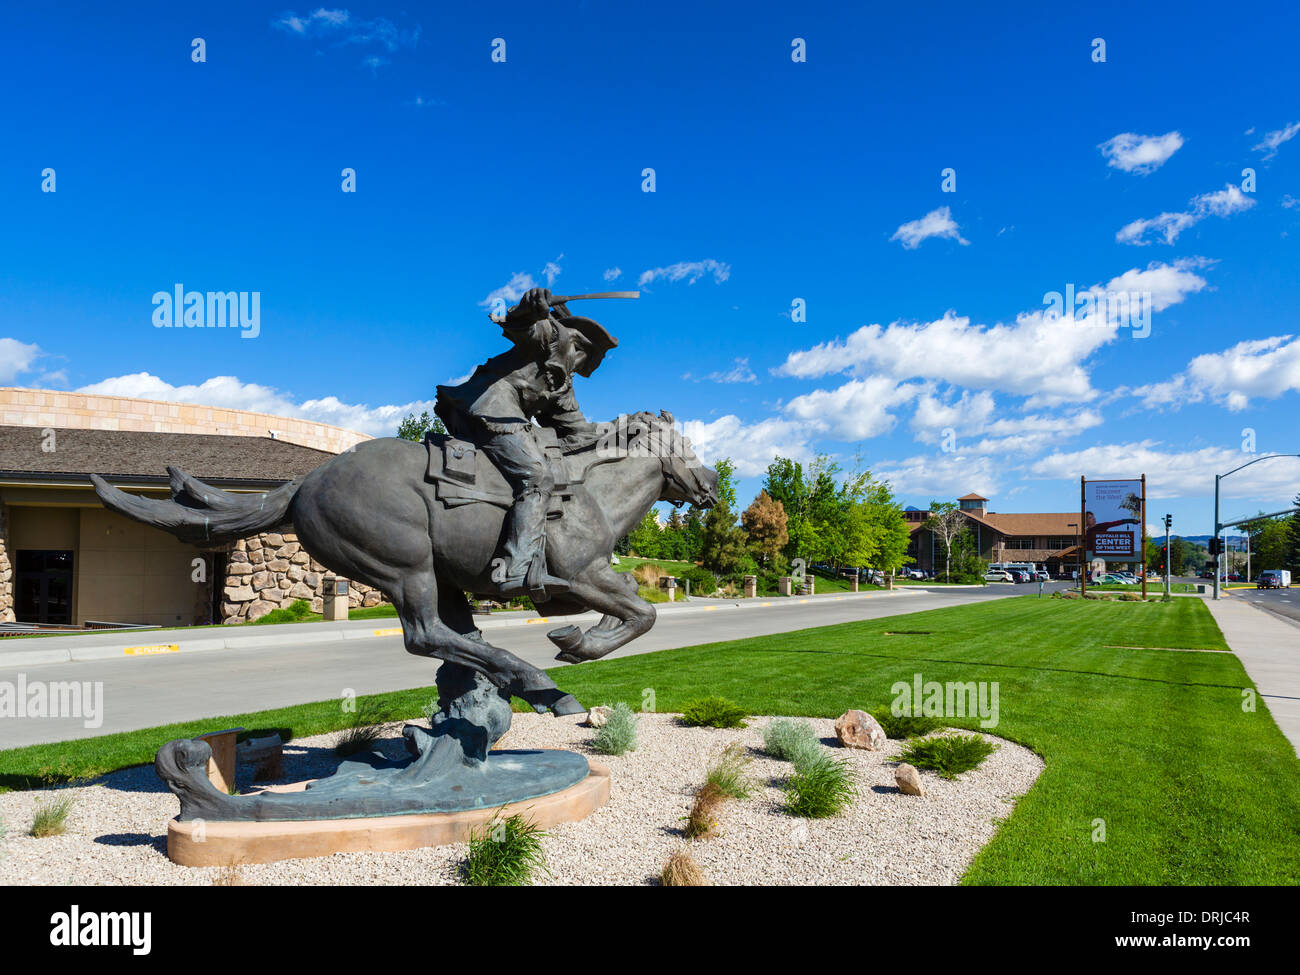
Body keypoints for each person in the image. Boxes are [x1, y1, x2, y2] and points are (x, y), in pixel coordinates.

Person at [434, 287, 618, 598]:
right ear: (583, 346)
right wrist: (531, 306)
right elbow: (522, 325)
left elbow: (578, 431)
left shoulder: (563, 386)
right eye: (591, 359)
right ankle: (518, 566)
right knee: (537, 478)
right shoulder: (553, 336)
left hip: (503, 419)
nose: (588, 368)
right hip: (492, 408)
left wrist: (620, 433)